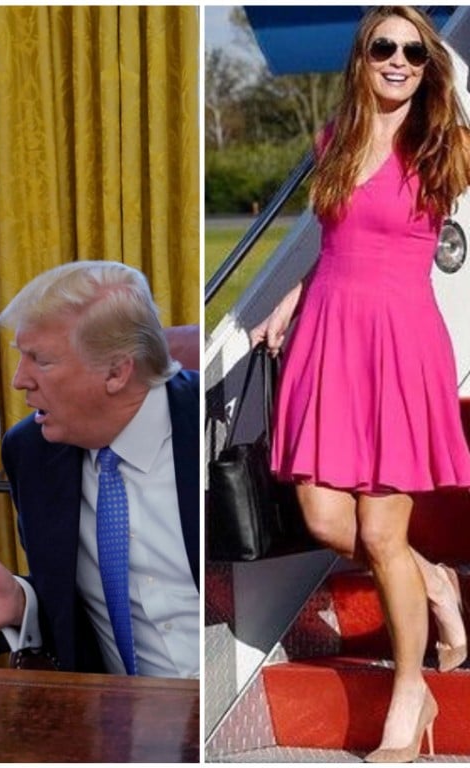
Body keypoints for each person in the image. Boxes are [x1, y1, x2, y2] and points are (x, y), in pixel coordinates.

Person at [250, 6, 470, 763]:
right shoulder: (334, 140)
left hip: (400, 347)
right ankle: (433, 579)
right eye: (384, 46)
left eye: (414, 50)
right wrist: (290, 299)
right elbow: (342, 240)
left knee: (380, 533)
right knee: (322, 518)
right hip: (329, 341)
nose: (399, 60)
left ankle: (410, 695)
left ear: (429, 64)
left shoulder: (445, 143)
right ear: (363, 57)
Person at [0, 260, 199, 677]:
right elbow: (68, 605)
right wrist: (22, 601)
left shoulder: (211, 421)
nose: (19, 380)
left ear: (117, 371)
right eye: (22, 357)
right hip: (119, 710)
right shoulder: (32, 453)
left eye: (41, 360)